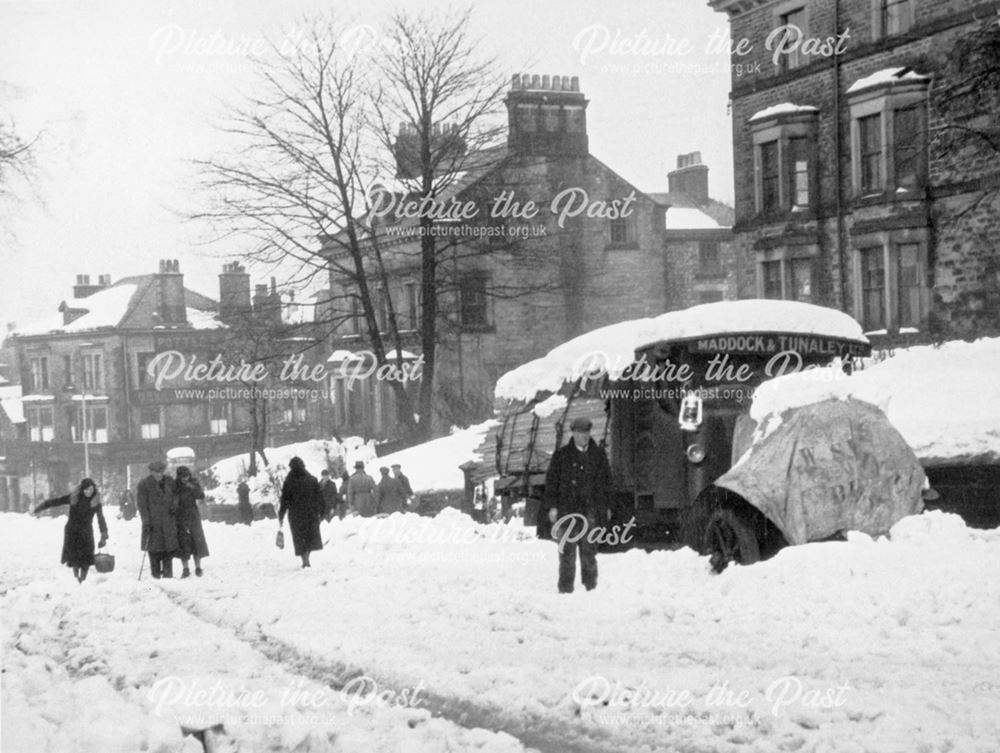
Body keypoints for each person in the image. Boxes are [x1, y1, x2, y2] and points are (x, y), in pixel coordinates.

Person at [544, 417, 612, 594]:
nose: (584, 437)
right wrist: (553, 507)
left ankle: (591, 588)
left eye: (586, 433)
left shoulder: (598, 455)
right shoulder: (562, 455)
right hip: (567, 511)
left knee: (589, 552)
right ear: (573, 433)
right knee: (567, 553)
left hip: (590, 511)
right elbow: (552, 482)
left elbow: (606, 483)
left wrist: (606, 506)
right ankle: (565, 590)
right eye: (580, 433)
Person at [33, 478, 108, 583]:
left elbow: (101, 519)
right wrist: (42, 506)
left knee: (86, 558)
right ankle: (76, 579)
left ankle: (83, 579)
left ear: (93, 489)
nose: (89, 492)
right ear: (82, 489)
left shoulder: (96, 502)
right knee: (75, 558)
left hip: (86, 532)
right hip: (72, 531)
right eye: (86, 489)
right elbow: (57, 501)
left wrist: (104, 534)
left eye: (90, 489)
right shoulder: (74, 498)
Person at [278, 456, 324, 568]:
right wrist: (322, 512)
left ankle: (305, 560)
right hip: (310, 513)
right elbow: (319, 498)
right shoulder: (312, 480)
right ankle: (307, 558)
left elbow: (284, 500)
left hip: (296, 515)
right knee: (309, 536)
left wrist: (281, 515)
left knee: (299, 537)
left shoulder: (288, 482)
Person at [137, 460, 179, 579]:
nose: (159, 475)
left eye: (160, 472)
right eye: (155, 472)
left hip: (167, 522)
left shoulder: (170, 482)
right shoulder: (144, 484)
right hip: (152, 523)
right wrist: (146, 522)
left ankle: (168, 576)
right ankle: (155, 576)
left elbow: (176, 496)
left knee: (168, 550)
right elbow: (142, 506)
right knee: (154, 550)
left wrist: (174, 506)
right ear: (151, 472)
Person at [174, 466, 209, 578]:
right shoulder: (175, 485)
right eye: (183, 477)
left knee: (196, 541)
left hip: (193, 516)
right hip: (180, 517)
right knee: (183, 543)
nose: (185, 479)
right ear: (179, 477)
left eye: (187, 476)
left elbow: (201, 495)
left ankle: (198, 567)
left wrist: (192, 487)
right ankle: (185, 569)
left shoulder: (193, 483)